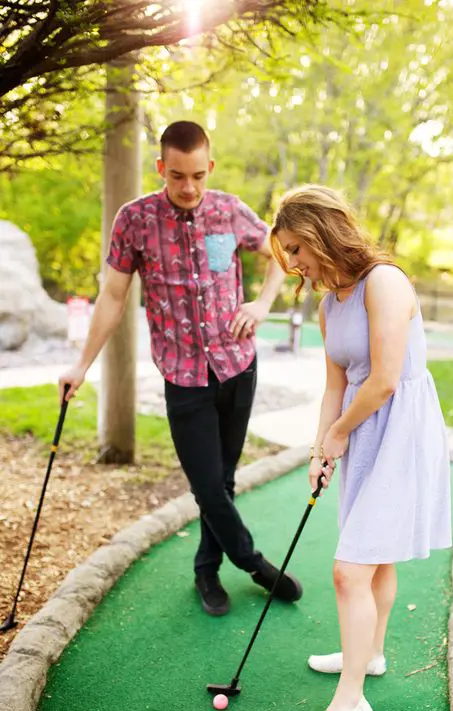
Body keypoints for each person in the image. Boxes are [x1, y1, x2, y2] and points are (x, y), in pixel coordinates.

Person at [59, 120, 303, 617]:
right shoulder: (135, 220)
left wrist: (263, 303)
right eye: (177, 176)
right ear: (161, 169)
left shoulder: (230, 210)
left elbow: (281, 250)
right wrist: (80, 365)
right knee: (207, 484)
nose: (188, 187)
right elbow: (111, 296)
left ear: (209, 167)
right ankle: (252, 562)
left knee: (225, 480)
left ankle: (206, 570)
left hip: (238, 366)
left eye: (197, 175)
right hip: (183, 375)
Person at [270, 185, 452, 711]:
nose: (294, 263)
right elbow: (335, 384)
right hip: (361, 428)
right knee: (373, 559)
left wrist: (341, 433)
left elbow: (384, 379)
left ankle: (351, 704)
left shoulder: (385, 282)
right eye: (288, 253)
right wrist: (320, 447)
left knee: (350, 570)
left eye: (298, 248)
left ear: (324, 232)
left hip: (400, 432)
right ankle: (368, 653)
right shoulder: (329, 305)